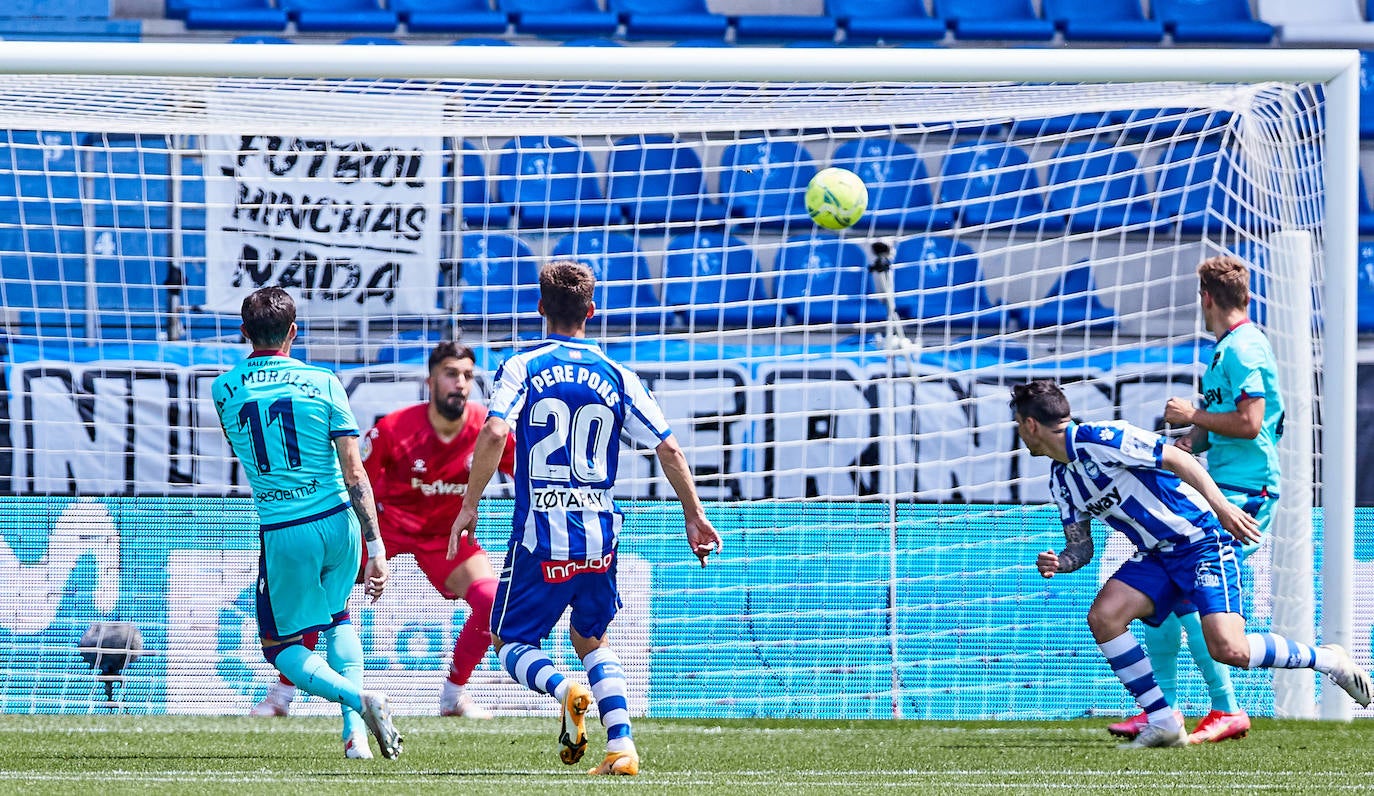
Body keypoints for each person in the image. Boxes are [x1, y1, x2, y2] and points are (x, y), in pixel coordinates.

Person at [449, 260, 723, 776]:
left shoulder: (522, 366)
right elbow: (668, 448)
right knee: (590, 639)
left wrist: (470, 504)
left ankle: (562, 688)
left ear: (539, 308)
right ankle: (621, 747)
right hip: (600, 534)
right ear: (591, 311)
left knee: (510, 642)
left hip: (540, 538)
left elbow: (492, 434)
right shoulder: (619, 375)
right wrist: (694, 515)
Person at [1012, 378, 1371, 750]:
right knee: (1104, 616)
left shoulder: (1102, 437)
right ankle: (1163, 720)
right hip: (1156, 556)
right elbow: (1080, 547)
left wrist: (1223, 508)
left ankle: (1328, 659)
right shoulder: (1061, 480)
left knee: (1230, 650)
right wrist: (1062, 561)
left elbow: (1178, 458)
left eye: (1019, 425)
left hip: (1199, 540)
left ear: (1031, 425)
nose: (1021, 434)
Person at [250, 342, 516, 720]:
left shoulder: (486, 430)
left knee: (493, 601)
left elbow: (526, 469)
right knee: (320, 592)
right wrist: (367, 543)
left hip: (447, 537)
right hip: (386, 528)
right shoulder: (395, 429)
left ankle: (453, 696)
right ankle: (281, 696)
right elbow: (353, 481)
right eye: (451, 374)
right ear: (430, 380)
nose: (461, 383)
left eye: (468, 376)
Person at [212, 287, 402, 760]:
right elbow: (355, 469)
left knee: (279, 646)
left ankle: (359, 701)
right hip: (340, 521)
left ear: (243, 333)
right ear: (294, 332)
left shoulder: (224, 389)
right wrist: (376, 545)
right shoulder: (325, 381)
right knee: (338, 618)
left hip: (285, 528)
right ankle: (354, 735)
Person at [1107, 255, 1284, 744]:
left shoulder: (1243, 350)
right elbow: (1226, 429)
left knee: (1188, 592)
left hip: (1247, 490)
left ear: (1205, 298)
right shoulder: (1228, 348)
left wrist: (1194, 414)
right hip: (1225, 480)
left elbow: (1251, 424)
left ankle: (1227, 709)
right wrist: (1185, 443)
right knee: (1160, 597)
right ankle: (1160, 709)